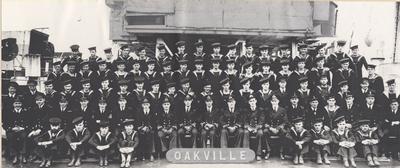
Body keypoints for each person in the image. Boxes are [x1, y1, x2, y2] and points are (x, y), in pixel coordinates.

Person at [3, 96, 29, 164]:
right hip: (12, 129)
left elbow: (30, 122)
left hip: (22, 129)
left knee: (24, 136)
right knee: (10, 137)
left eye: (19, 103)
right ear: (13, 104)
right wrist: (11, 128)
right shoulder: (8, 112)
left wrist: (23, 128)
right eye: (16, 103)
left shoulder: (26, 112)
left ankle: (23, 155)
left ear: (21, 104)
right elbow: (5, 124)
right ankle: (14, 155)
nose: (17, 105)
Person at [264, 95, 288, 160]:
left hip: (279, 128)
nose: (274, 102)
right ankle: (268, 151)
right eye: (273, 101)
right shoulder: (267, 110)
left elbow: (285, 122)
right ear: (271, 102)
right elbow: (265, 122)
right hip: (270, 128)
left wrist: (278, 128)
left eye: (276, 101)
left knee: (284, 132)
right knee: (265, 132)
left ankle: (281, 152)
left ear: (278, 101)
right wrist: (270, 128)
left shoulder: (282, 110)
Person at [241, 95, 265, 160]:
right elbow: (244, 121)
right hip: (249, 128)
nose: (252, 102)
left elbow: (261, 121)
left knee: (260, 133)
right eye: (251, 101)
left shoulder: (260, 110)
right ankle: (246, 153)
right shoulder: (246, 111)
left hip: (257, 127)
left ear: (256, 101)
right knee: (245, 132)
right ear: (249, 102)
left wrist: (256, 128)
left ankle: (258, 154)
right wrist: (248, 128)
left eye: (253, 101)